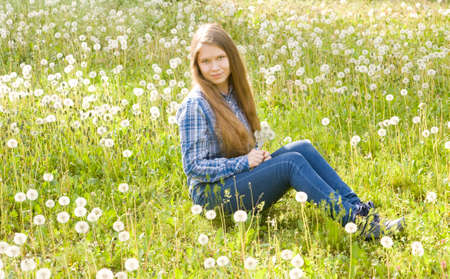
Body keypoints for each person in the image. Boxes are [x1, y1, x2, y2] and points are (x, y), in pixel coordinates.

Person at [176, 23, 403, 240]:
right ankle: (357, 224)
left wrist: (256, 155)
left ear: (231, 58)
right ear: (197, 66)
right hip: (212, 196)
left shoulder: (234, 91)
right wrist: (244, 162)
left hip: (236, 178)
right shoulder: (195, 105)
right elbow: (194, 168)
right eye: (206, 61)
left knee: (302, 147)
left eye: (220, 58)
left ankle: (361, 211)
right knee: (290, 163)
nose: (214, 67)